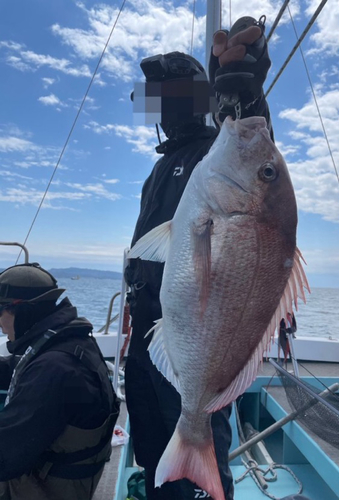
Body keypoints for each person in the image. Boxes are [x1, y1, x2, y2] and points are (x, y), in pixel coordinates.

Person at [125, 15, 273, 500]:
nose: (159, 108)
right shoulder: (160, 167)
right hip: (152, 339)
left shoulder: (216, 151)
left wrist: (242, 94)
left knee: (198, 480)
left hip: (197, 344)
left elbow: (258, 177)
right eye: (155, 99)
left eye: (168, 94)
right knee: (151, 455)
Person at [0, 263, 119, 500]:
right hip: (72, 478)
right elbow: (24, 365)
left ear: (21, 310)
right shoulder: (70, 343)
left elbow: (5, 458)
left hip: (46, 488)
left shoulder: (54, 370)